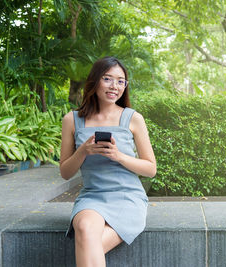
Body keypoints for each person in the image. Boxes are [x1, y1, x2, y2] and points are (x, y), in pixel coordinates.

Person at [59, 56, 156, 266]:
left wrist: (118, 156)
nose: (115, 86)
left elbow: (150, 169)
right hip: (92, 196)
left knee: (87, 245)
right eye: (108, 79)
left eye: (121, 81)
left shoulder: (133, 118)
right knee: (84, 227)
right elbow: (65, 172)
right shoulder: (72, 120)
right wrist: (83, 151)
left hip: (127, 197)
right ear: (94, 81)